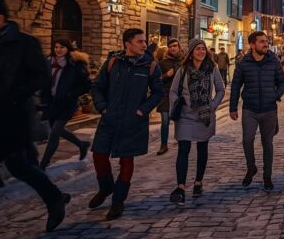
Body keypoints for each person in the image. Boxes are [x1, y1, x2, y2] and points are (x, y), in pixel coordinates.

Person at [0, 0, 71, 232]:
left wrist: (12, 96)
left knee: (19, 165)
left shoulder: (23, 44)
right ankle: (54, 198)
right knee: (17, 165)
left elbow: (41, 77)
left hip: (10, 117)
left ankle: (54, 198)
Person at [89, 28, 163, 220]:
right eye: (139, 41)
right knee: (99, 154)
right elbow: (97, 87)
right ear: (127, 44)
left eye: (144, 41)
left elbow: (158, 93)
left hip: (133, 120)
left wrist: (142, 110)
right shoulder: (113, 62)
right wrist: (103, 108)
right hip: (110, 118)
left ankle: (118, 201)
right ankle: (105, 188)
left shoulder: (151, 65)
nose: (144, 45)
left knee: (126, 160)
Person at [168, 39, 225, 206]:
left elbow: (221, 90)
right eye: (198, 49)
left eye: (203, 49)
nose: (201, 52)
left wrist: (212, 106)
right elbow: (173, 91)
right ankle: (180, 188)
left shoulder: (212, 69)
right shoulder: (183, 70)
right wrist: (176, 106)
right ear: (191, 52)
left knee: (202, 147)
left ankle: (198, 182)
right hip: (185, 116)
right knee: (183, 148)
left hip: (204, 116)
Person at [229, 31, 284, 191]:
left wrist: (275, 95)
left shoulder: (273, 61)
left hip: (269, 109)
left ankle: (267, 176)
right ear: (252, 45)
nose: (266, 44)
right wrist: (233, 107)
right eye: (262, 41)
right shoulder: (243, 63)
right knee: (247, 140)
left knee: (267, 143)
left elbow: (282, 82)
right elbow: (235, 85)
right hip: (250, 108)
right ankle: (251, 167)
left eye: (266, 41)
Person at [39, 39, 92, 170]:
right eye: (56, 47)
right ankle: (81, 144)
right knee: (57, 130)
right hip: (51, 102)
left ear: (68, 49)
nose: (58, 50)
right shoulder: (48, 62)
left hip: (67, 103)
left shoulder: (75, 64)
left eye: (61, 47)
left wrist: (71, 94)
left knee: (55, 133)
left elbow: (87, 84)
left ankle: (43, 164)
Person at [157, 38, 183, 156]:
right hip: (165, 95)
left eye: (175, 46)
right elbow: (157, 81)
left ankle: (180, 139)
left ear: (179, 47)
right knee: (165, 121)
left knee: (179, 120)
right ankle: (163, 144)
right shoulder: (163, 62)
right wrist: (166, 75)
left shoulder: (184, 61)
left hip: (179, 95)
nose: (173, 48)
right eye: (170, 46)